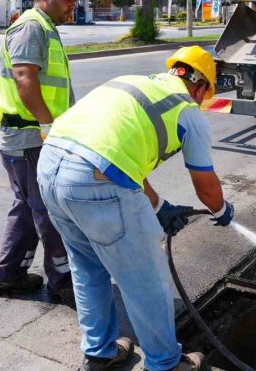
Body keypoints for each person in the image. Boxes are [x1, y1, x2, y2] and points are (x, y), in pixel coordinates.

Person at [37, 46, 235, 371]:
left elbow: (121, 158)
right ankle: (165, 364)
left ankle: (99, 353)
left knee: (88, 267)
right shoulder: (187, 110)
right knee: (146, 278)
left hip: (51, 166)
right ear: (200, 87)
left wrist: (159, 207)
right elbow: (207, 187)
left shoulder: (133, 83)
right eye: (205, 95)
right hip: (93, 178)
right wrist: (222, 210)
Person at [0, 0, 85, 305]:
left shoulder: (44, 26)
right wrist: (48, 127)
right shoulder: (32, 27)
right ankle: (62, 281)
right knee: (49, 210)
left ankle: (7, 274)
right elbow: (25, 80)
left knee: (28, 207)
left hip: (28, 136)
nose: (73, 6)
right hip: (30, 136)